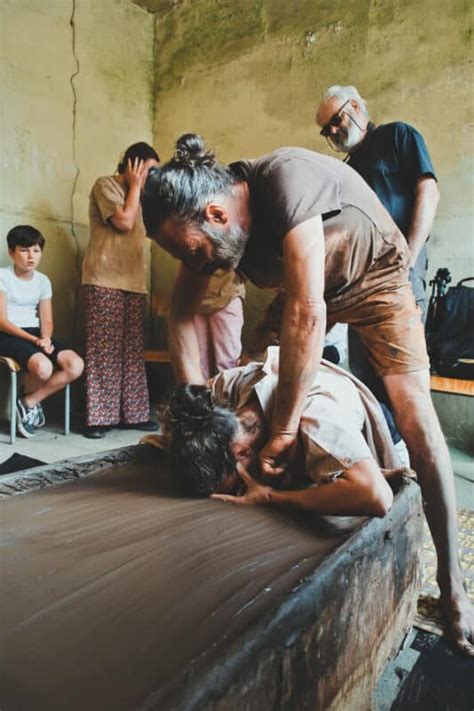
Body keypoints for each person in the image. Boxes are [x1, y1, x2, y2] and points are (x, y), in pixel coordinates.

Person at [142, 133, 473, 654]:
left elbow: (308, 313)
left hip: (375, 279)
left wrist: (287, 427)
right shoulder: (201, 227)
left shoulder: (284, 178)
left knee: (415, 417)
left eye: (196, 253)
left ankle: (455, 589)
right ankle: (301, 472)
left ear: (217, 213)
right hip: (307, 290)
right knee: (257, 377)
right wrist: (194, 407)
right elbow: (181, 313)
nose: (200, 267)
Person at [149, 347, 400, 516]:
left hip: (373, 414)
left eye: (236, 486)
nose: (239, 491)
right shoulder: (220, 394)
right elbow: (185, 431)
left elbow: (376, 496)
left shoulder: (317, 419)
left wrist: (272, 498)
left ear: (241, 452)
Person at [82, 142, 160, 439]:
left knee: (131, 352)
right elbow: (125, 222)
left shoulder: (141, 196)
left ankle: (133, 414)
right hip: (104, 278)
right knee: (105, 351)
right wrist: (136, 186)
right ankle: (99, 418)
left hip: (133, 281)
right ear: (131, 165)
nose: (151, 177)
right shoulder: (106, 186)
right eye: (147, 170)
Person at [0, 225, 84, 438]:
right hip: (8, 334)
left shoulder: (43, 280)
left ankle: (27, 402)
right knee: (44, 367)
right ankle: (27, 405)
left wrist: (45, 338)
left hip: (36, 334)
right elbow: (2, 321)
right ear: (11, 252)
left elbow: (46, 319)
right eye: (24, 250)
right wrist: (34, 340)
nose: (31, 256)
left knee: (75, 364)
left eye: (36, 251)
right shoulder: (3, 276)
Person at [194, 269, 245, 379]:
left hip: (227, 293)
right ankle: (203, 393)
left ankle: (224, 394)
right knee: (199, 362)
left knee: (227, 363)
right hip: (197, 296)